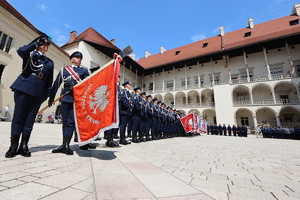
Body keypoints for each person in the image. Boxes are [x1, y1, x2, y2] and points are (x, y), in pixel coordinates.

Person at [5, 36, 54, 158]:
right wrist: (35, 43)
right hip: (24, 89)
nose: (46, 45)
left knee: (29, 121)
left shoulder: (50, 63)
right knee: (18, 118)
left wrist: (46, 95)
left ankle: (24, 146)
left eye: (48, 44)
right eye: (44, 43)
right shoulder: (30, 55)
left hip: (38, 93)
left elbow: (49, 82)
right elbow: (21, 51)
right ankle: (13, 146)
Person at [48, 51, 94, 155]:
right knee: (65, 121)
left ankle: (67, 144)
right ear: (71, 58)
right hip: (65, 98)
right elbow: (56, 84)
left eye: (79, 58)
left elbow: (88, 85)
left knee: (71, 122)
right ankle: (63, 144)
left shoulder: (84, 70)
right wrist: (51, 98)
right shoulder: (64, 70)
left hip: (77, 99)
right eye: (76, 57)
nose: (78, 59)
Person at [118, 81, 132, 145]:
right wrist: (129, 105)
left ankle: (123, 138)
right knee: (123, 125)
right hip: (123, 111)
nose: (130, 85)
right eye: (129, 85)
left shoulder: (127, 92)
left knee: (123, 125)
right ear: (126, 85)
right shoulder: (124, 92)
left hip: (126, 111)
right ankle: (122, 139)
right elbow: (123, 100)